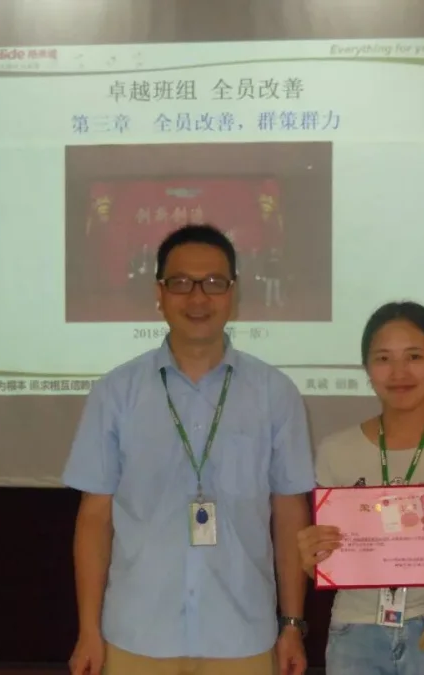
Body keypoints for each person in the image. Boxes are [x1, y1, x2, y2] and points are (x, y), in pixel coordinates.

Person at [63, 224, 315, 675]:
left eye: (214, 283)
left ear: (233, 292)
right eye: (181, 283)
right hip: (136, 634)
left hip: (242, 634)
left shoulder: (275, 393)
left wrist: (292, 624)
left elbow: (289, 513)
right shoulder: (115, 392)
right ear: (159, 293)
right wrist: (88, 630)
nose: (198, 298)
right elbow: (95, 518)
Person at [297, 301, 424, 675]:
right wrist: (313, 558)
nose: (399, 373)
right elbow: (327, 566)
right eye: (383, 359)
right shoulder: (335, 450)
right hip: (356, 633)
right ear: (366, 368)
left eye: (414, 356)